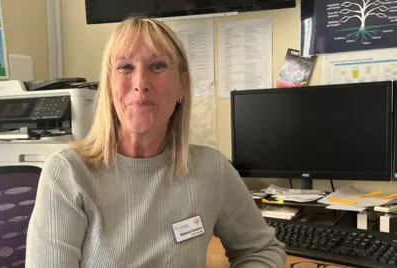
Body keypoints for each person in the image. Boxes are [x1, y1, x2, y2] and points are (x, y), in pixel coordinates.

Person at [25, 16, 286, 268]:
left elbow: (262, 250)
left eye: (158, 66)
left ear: (183, 84)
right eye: (125, 67)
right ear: (108, 85)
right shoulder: (67, 173)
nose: (140, 83)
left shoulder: (211, 168)